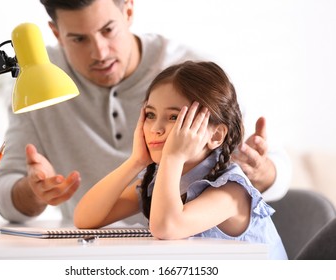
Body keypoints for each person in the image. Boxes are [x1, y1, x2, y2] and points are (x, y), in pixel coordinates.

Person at [0, 0, 291, 223]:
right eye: (79, 39)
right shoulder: (39, 80)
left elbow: (277, 169)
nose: (100, 52)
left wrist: (262, 172)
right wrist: (34, 191)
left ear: (129, 11)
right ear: (56, 33)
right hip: (91, 256)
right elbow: (80, 217)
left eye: (108, 30)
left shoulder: (193, 72)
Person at [74, 61, 287, 259]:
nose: (156, 128)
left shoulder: (232, 191)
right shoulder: (161, 182)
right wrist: (136, 161)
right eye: (150, 115)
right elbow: (85, 219)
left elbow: (167, 227)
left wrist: (173, 156)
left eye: (174, 117)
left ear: (215, 136)